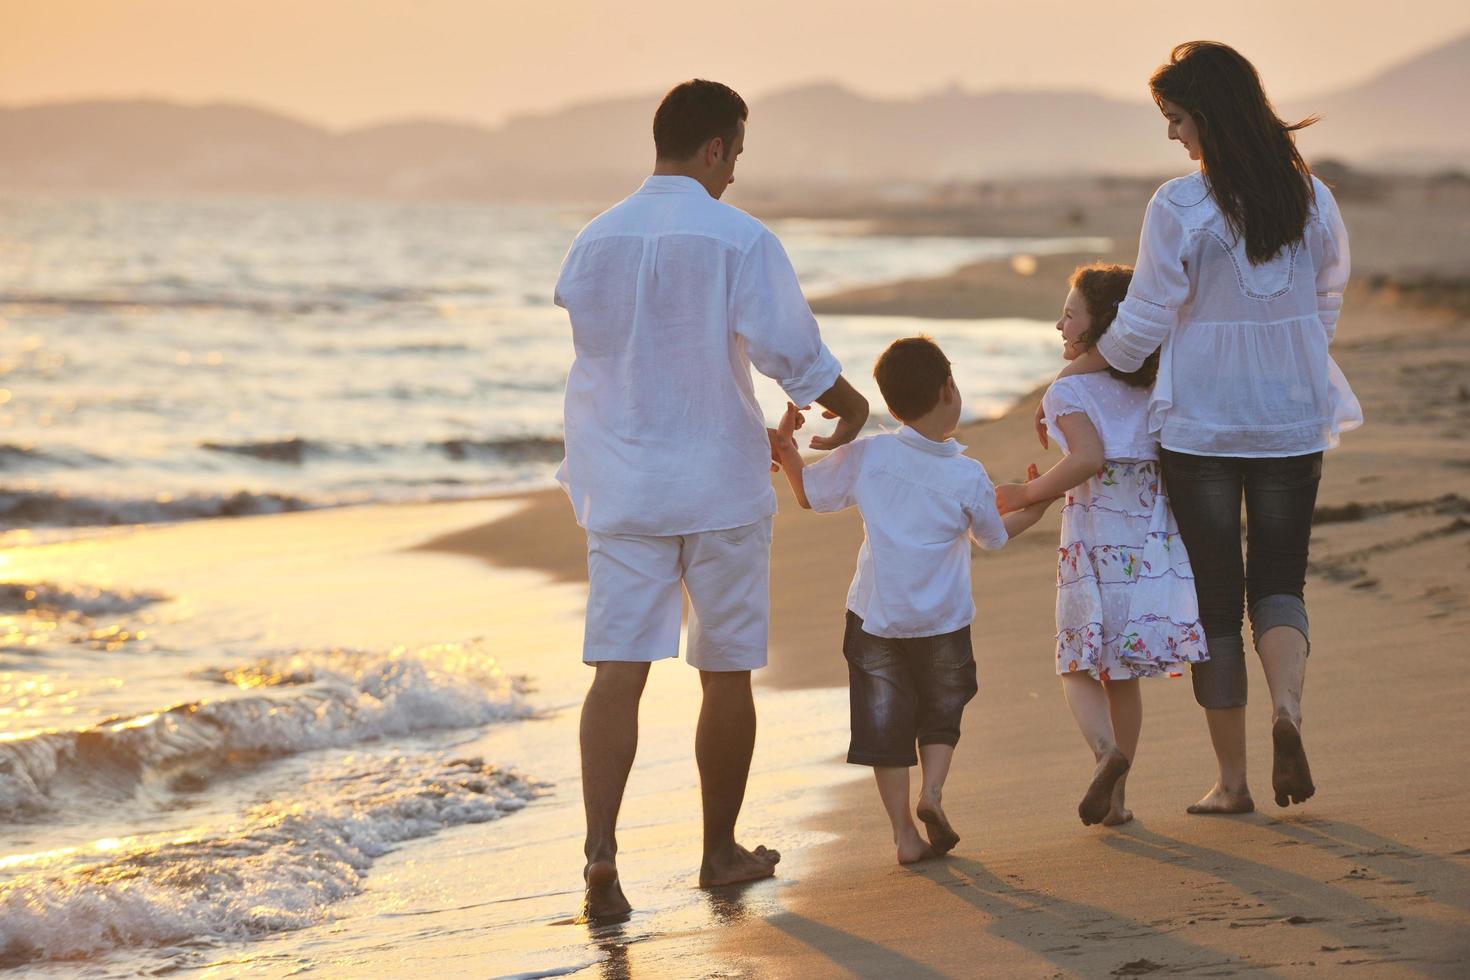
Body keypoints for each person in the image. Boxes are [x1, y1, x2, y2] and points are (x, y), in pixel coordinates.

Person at [553, 79, 869, 922]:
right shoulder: (738, 237)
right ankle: (719, 853)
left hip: (620, 484)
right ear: (717, 147)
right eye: (736, 156)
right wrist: (848, 402)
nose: (734, 174)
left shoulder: (593, 239)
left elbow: (609, 350)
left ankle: (600, 853)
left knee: (617, 672)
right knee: (724, 672)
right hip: (719, 484)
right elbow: (786, 346)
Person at [1038, 43, 1360, 815]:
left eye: (1177, 120)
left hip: (1201, 427)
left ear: (1209, 116)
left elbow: (1145, 315)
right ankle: (1287, 710)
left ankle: (1234, 783)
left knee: (1217, 602)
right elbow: (1328, 299)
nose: (1173, 136)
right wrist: (1290, 360)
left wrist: (1092, 364)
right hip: (1292, 418)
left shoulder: (1180, 205)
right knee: (1281, 581)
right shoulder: (1313, 198)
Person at [772, 337, 1051, 865]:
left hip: (876, 618)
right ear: (949, 389)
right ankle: (934, 793)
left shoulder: (869, 454)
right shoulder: (966, 474)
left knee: (886, 726)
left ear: (892, 404)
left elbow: (812, 495)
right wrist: (1037, 506)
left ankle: (903, 835)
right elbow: (991, 537)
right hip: (942, 621)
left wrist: (788, 452)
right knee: (942, 711)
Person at [998, 264, 1208, 827]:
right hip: (1149, 550)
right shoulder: (1154, 386)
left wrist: (1027, 491)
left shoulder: (1069, 389)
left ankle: (1104, 754)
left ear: (1101, 328)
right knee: (1122, 676)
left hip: (1094, 545)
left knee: (1076, 666)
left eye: (1070, 315)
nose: (1059, 324)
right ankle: (1116, 801)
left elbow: (1088, 458)